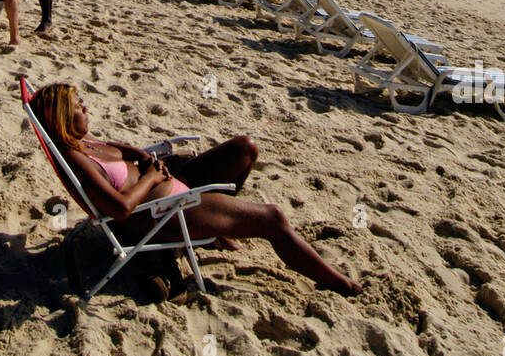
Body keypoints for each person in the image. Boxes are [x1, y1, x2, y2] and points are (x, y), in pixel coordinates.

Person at [32, 84, 364, 296]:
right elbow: (119, 210)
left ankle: (217, 227)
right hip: (163, 216)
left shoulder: (84, 141)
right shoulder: (76, 157)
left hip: (172, 188)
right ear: (62, 117)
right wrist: (149, 178)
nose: (86, 107)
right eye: (78, 105)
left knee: (245, 148)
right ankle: (340, 284)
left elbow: (121, 151)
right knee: (272, 219)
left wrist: (145, 158)